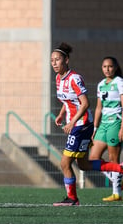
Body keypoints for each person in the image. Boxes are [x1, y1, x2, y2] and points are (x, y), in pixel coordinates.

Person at [51, 42, 123, 206]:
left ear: (66, 60)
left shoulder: (74, 78)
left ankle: (72, 199)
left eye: (57, 60)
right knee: (83, 164)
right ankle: (120, 169)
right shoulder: (58, 78)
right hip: (78, 125)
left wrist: (72, 122)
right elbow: (68, 99)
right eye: (52, 60)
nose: (54, 63)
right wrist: (62, 115)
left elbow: (85, 104)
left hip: (81, 126)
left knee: (64, 163)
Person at [89, 56, 123, 201]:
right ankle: (119, 176)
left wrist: (122, 127)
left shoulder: (119, 82)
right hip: (103, 124)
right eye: (104, 66)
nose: (107, 69)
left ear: (115, 67)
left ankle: (116, 193)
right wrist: (95, 127)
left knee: (113, 158)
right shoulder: (101, 84)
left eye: (110, 66)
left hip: (116, 122)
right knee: (92, 159)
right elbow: (98, 108)